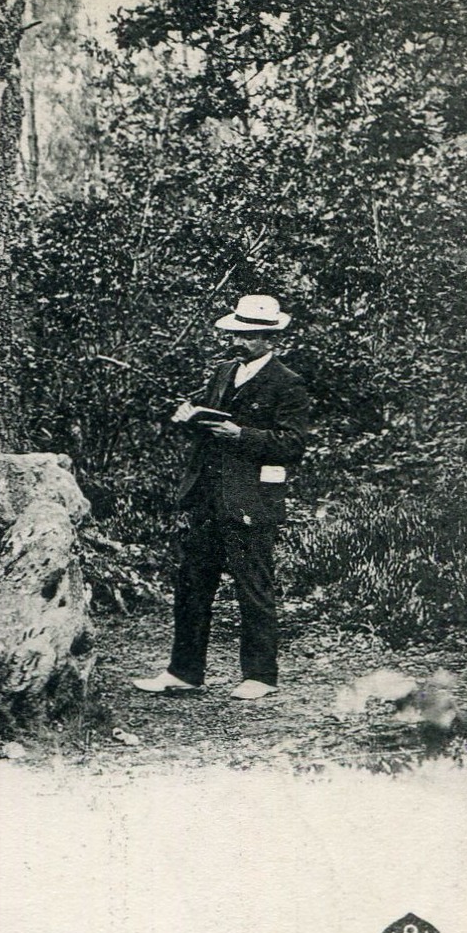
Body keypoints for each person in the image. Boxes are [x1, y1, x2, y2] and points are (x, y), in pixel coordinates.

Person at [133, 295, 311, 701]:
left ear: (270, 338)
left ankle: (261, 676)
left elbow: (293, 444)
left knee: (253, 587)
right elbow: (206, 420)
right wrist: (188, 416)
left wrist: (242, 435)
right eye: (236, 332)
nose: (240, 340)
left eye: (249, 335)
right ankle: (184, 672)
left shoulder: (288, 383)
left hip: (252, 500)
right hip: (208, 498)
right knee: (192, 585)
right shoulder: (223, 372)